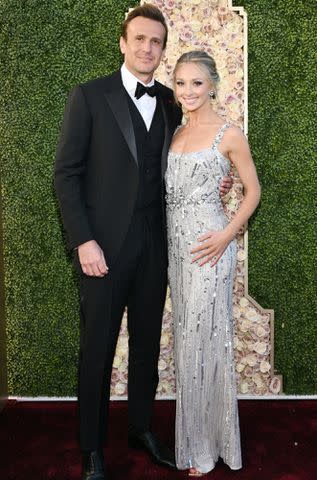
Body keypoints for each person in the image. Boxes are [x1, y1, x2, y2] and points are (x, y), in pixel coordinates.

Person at [54, 5, 232, 480]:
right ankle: (91, 448)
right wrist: (84, 241)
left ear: (162, 47)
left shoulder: (175, 104)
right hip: (103, 251)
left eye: (156, 41)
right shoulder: (89, 96)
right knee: (97, 348)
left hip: (158, 248)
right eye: (139, 39)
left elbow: (191, 160)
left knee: (148, 347)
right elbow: (66, 175)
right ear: (123, 42)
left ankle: (140, 428)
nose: (147, 48)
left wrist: (218, 182)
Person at [166, 50, 261, 477]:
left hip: (212, 248)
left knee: (205, 339)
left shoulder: (229, 133)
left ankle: (205, 450)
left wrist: (227, 235)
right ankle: (195, 441)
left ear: (213, 85)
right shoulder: (172, 132)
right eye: (181, 83)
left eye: (197, 83)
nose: (188, 91)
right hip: (175, 251)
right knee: (187, 340)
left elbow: (253, 191)